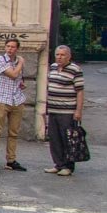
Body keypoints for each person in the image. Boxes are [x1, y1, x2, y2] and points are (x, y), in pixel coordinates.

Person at [0, 38, 27, 172]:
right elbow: (13, 74)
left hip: (17, 99)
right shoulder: (0, 60)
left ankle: (11, 159)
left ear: (17, 49)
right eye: (8, 46)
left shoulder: (17, 61)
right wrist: (21, 63)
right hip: (2, 99)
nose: (10, 49)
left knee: (13, 132)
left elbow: (18, 79)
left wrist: (22, 84)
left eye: (13, 47)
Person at [44, 44, 85, 177]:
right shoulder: (53, 67)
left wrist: (78, 111)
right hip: (53, 109)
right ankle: (58, 164)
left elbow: (79, 92)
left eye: (63, 55)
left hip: (67, 111)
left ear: (69, 56)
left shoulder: (75, 70)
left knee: (67, 139)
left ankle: (68, 166)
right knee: (54, 139)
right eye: (57, 55)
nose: (59, 57)